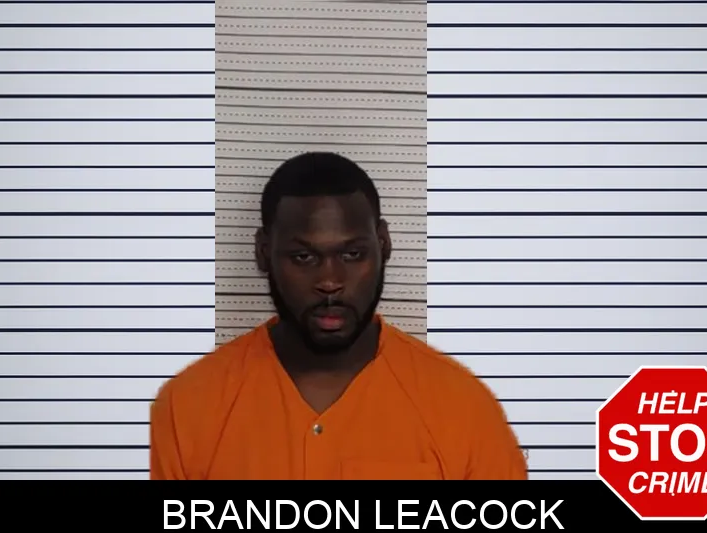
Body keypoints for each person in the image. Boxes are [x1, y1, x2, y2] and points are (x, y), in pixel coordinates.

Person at [149, 151, 528, 480]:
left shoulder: (463, 408)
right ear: (263, 252)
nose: (330, 281)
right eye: (303, 257)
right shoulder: (187, 407)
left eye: (352, 255)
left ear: (384, 245)